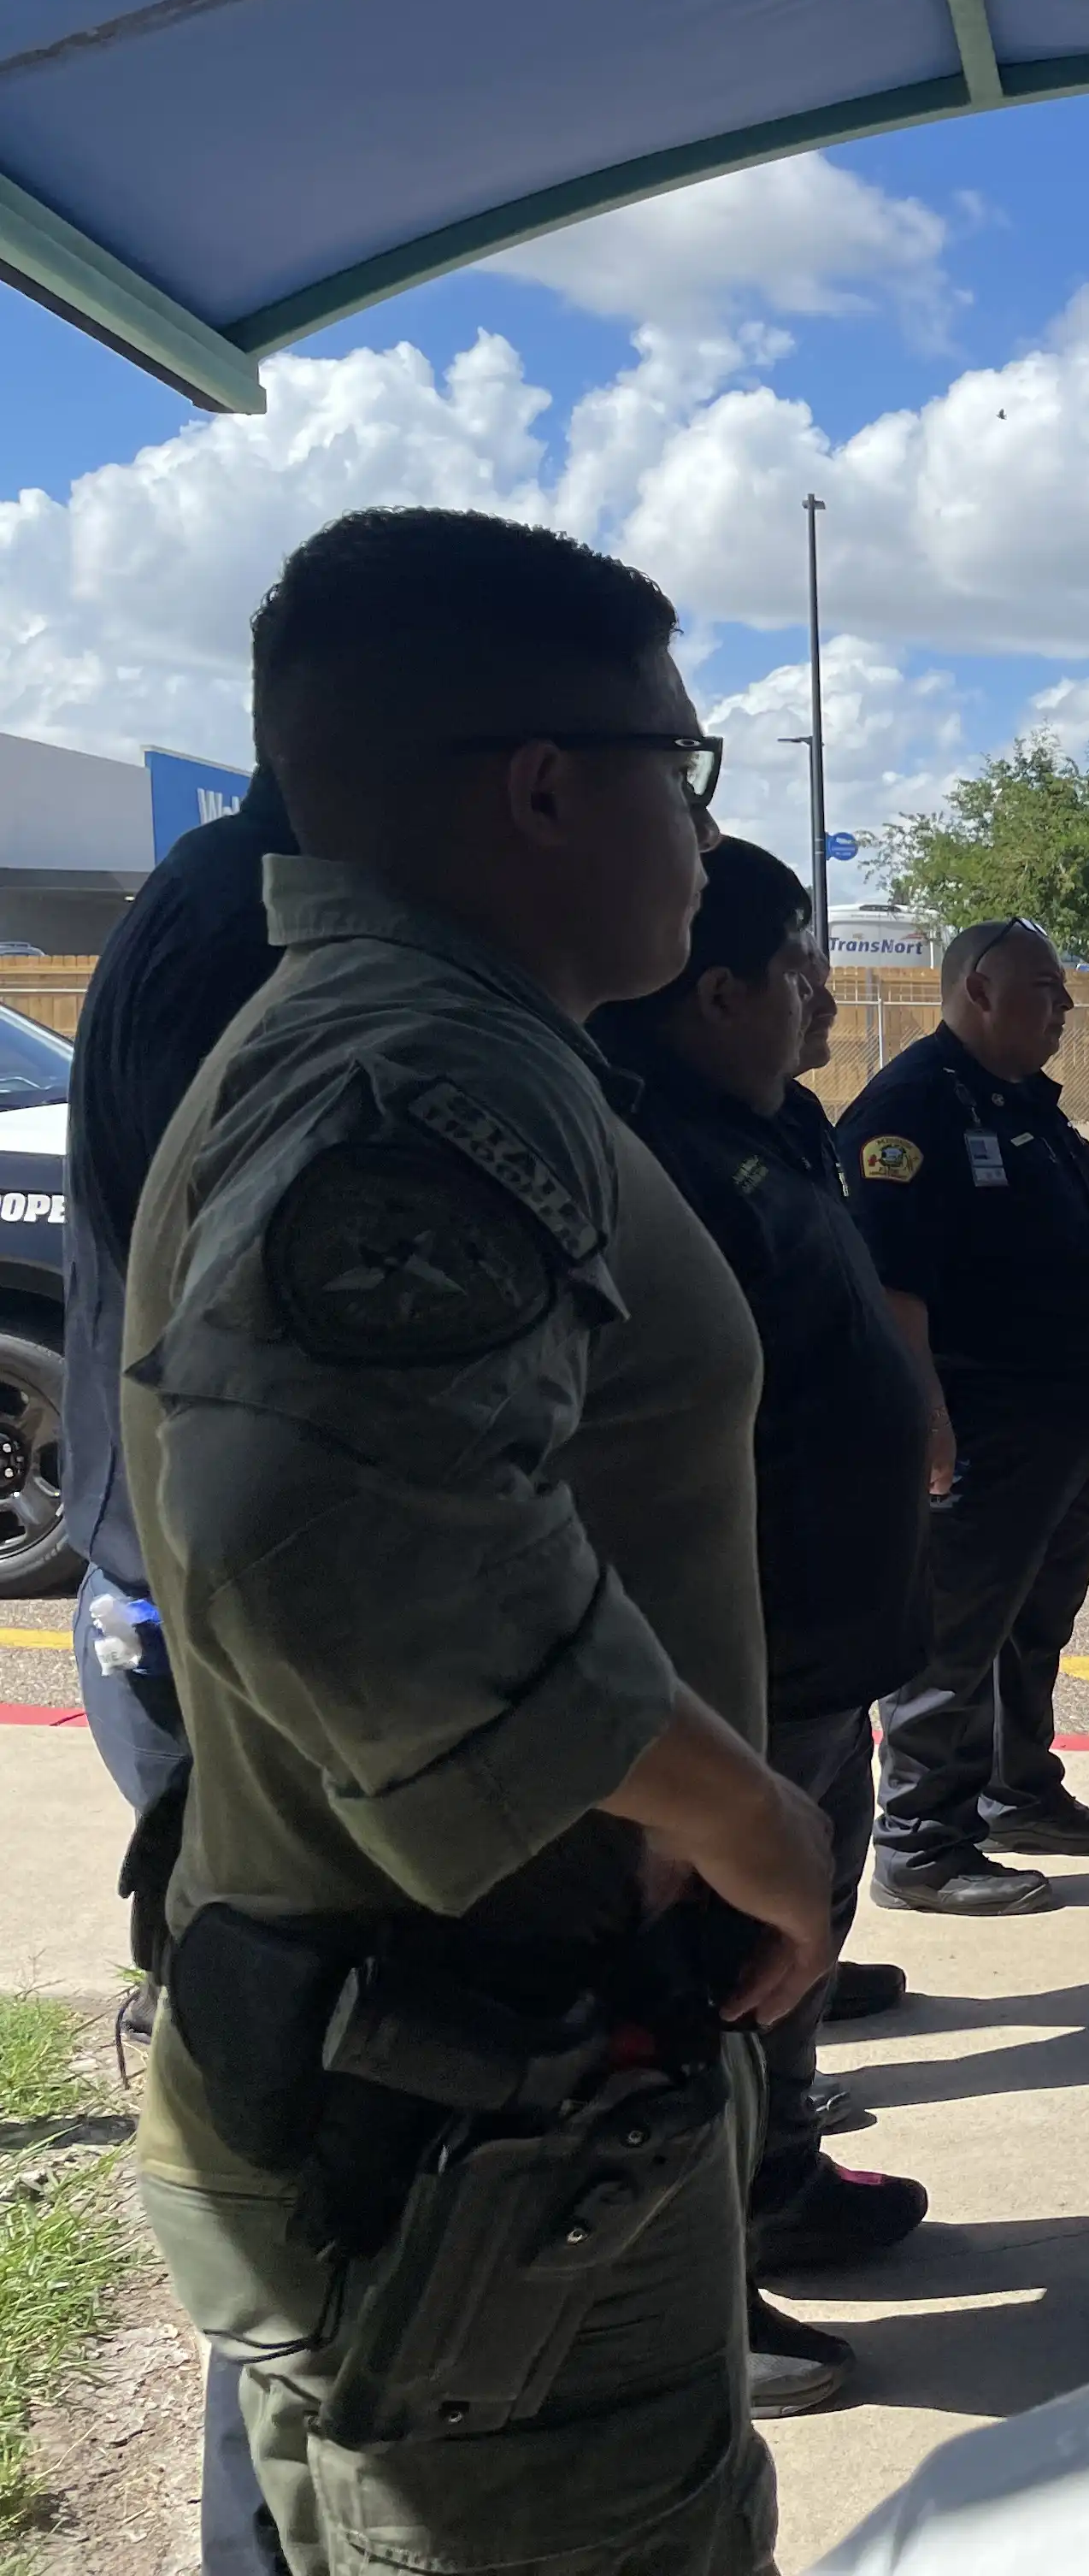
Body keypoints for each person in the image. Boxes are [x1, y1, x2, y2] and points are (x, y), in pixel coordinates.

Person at [119, 507, 833, 2576]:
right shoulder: (430, 1068)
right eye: (682, 773)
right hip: (479, 2084)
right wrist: (747, 1821)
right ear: (547, 784)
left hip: (485, 2059)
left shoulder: (422, 1040)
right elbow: (332, 1540)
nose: (702, 842)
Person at [595, 840, 938, 2408]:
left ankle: (780, 2180)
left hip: (821, 1638)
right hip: (732, 1656)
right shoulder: (643, 1151)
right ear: (716, 989)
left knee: (798, 1939)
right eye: (796, 966)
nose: (822, 990)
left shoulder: (779, 1121)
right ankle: (700, 2291)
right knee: (714, 1970)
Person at [59, 768, 293, 2576]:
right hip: (248, 1658)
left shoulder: (228, 907)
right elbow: (293, 1426)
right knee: (335, 2151)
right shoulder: (262, 942)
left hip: (207, 1619)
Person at [843, 919, 1089, 1916]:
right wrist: (928, 1418)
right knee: (956, 1628)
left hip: (1071, 1411)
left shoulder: (1019, 1103)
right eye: (1047, 990)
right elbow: (894, 1290)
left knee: (1031, 1622)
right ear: (978, 988)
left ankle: (1017, 1791)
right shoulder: (914, 1108)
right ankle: (923, 1839)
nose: (1064, 1009)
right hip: (989, 1418)